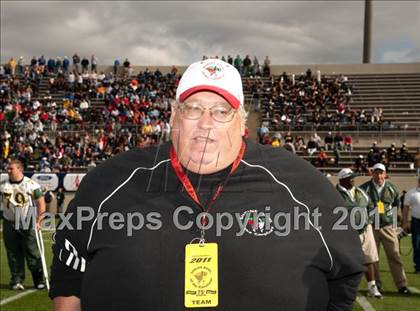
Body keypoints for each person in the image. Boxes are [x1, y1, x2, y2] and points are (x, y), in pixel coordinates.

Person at [50, 59, 363, 310]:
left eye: (221, 111)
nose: (206, 123)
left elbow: (344, 277)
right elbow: (68, 275)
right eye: (194, 108)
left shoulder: (303, 185)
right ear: (174, 115)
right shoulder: (108, 182)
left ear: (241, 122)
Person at [360, 163, 410, 294]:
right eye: (376, 172)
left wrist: (394, 226)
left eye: (381, 173)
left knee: (394, 255)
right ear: (372, 173)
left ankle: (402, 285)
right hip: (371, 226)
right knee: (373, 258)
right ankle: (376, 284)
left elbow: (395, 206)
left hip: (387, 226)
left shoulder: (392, 188)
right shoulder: (364, 188)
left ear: (385, 174)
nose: (379, 175)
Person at [0, 159, 46, 290]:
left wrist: (38, 221)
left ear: (20, 169)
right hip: (9, 221)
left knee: (32, 251)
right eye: (7, 168)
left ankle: (38, 280)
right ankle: (16, 279)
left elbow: (41, 203)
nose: (7, 171)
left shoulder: (31, 185)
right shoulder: (3, 185)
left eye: (11, 169)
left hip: (26, 220)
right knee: (13, 252)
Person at [335, 168, 382, 298]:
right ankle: (344, 288)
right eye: (350, 177)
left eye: (353, 177)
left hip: (365, 229)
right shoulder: (335, 194)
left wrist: (370, 221)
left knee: (369, 259)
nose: (353, 179)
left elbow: (371, 206)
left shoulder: (360, 191)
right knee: (346, 261)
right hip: (346, 232)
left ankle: (372, 287)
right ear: (342, 179)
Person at [402, 176, 420, 274]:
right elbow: (406, 208)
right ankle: (418, 266)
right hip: (416, 221)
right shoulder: (411, 192)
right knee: (416, 244)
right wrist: (405, 222)